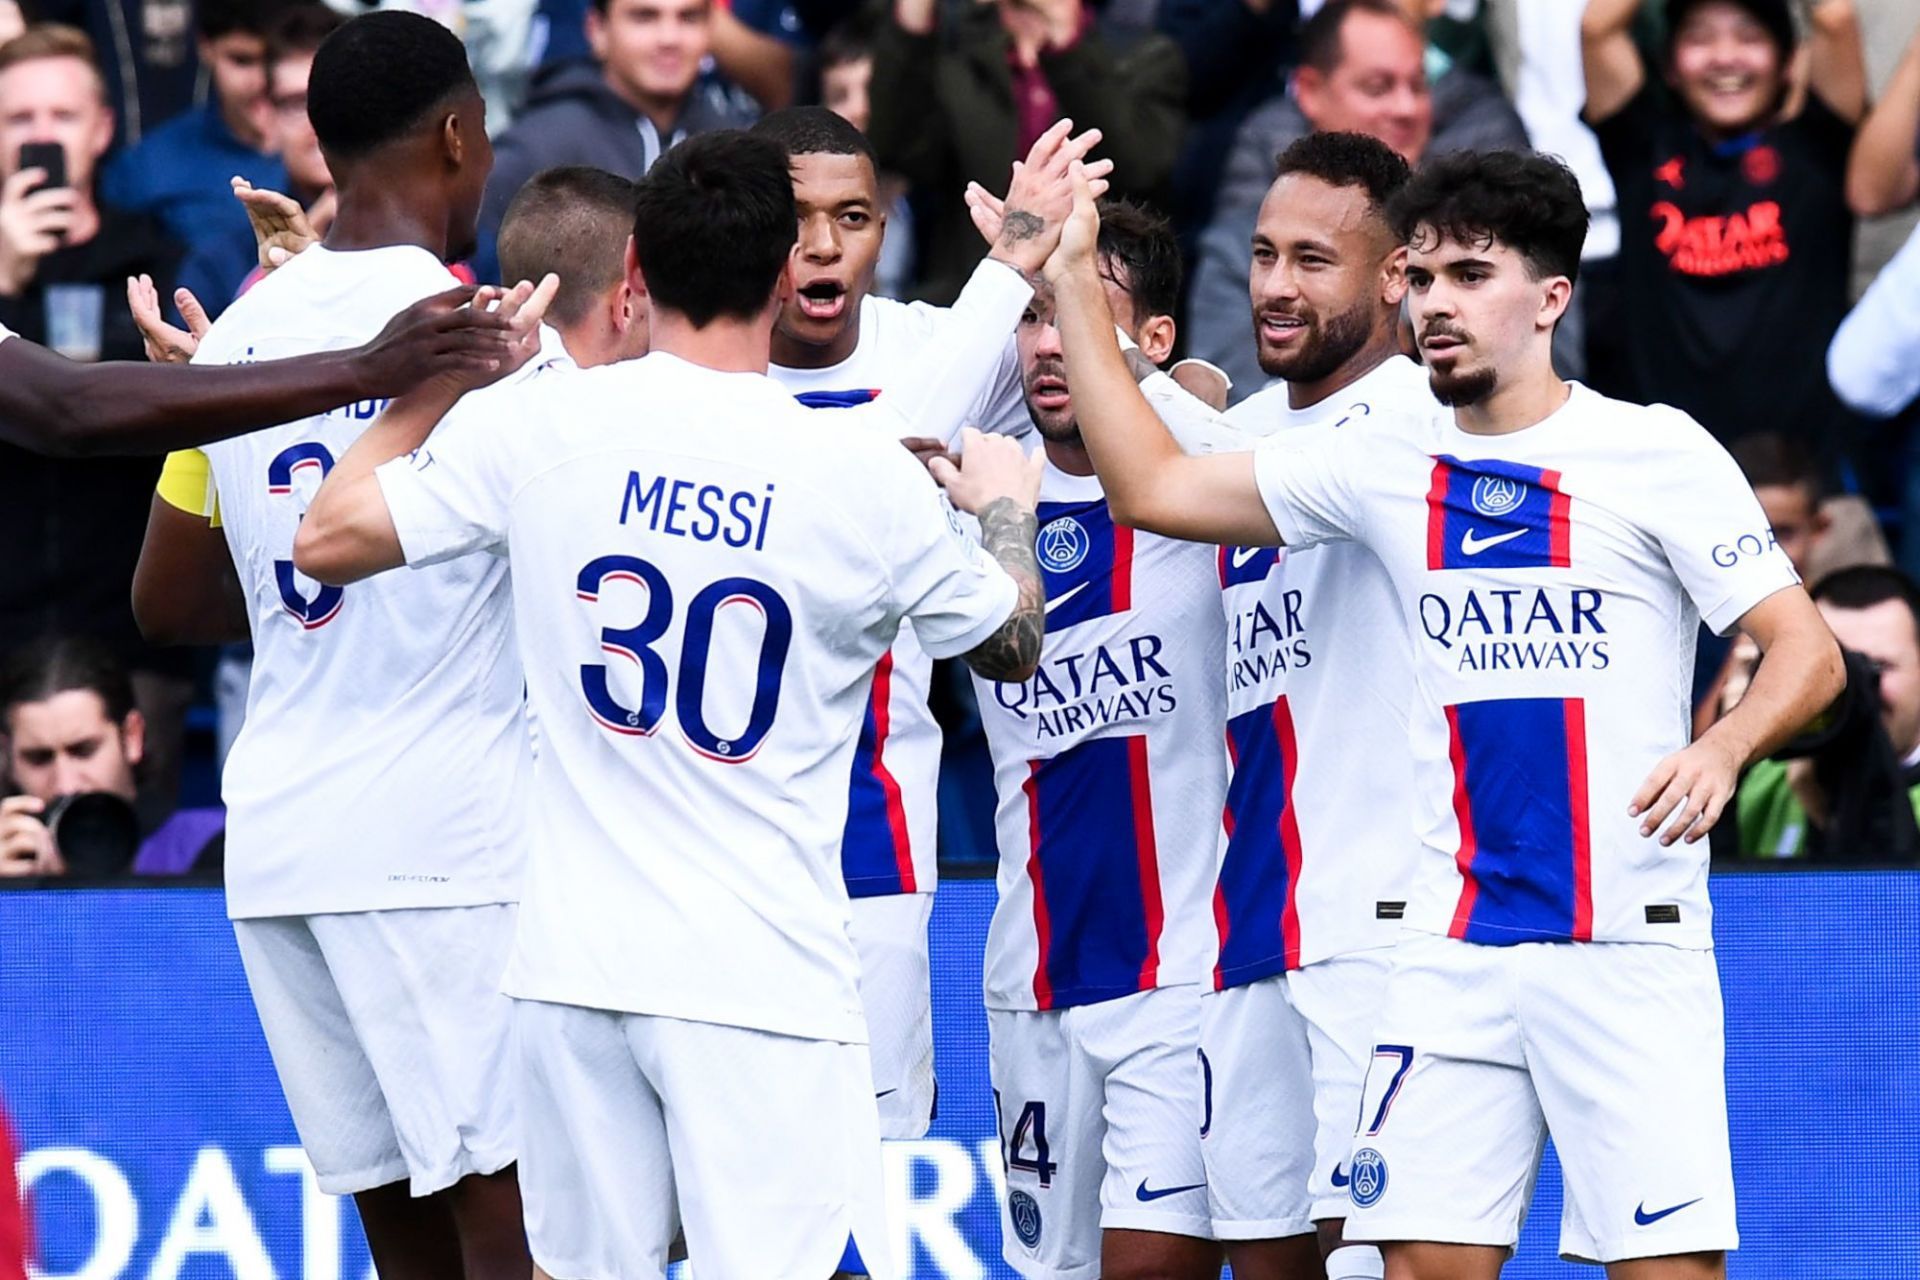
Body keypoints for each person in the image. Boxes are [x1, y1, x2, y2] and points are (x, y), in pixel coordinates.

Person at [1043, 147, 1844, 1280]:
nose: (1436, 306)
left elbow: (1808, 654)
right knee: (1411, 1266)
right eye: (1420, 280)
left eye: (1470, 276)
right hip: (1447, 943)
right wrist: (1075, 276)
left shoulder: (1655, 448)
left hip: (1624, 937)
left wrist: (1723, 744)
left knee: (1665, 1271)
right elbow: (1155, 490)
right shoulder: (1381, 458)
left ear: (1551, 297)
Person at [290, 127, 1053, 1280]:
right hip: (758, 974)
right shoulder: (856, 476)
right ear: (777, 273)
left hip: (573, 971)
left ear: (637, 268)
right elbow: (1008, 642)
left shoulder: (543, 424)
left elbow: (326, 536)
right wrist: (1003, 510)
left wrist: (430, 379)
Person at [136, 13, 537, 1279]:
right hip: (442, 844)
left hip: (283, 839)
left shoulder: (241, 340)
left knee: (403, 1241)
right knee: (517, 1231)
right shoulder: (480, 332)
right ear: (460, 134)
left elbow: (169, 597)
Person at [751, 105, 1091, 1145]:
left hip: (870, 844)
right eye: (795, 216)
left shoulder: (947, 346)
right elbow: (873, 456)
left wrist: (1194, 382)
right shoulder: (695, 369)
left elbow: (1111, 391)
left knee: (853, 1188)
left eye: (850, 216)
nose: (822, 244)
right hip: (713, 842)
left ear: (884, 227)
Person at [970, 198, 1240, 1280]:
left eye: (1072, 308)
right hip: (1029, 973)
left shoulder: (1210, 488)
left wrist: (1166, 389)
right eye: (1029, 315)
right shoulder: (979, 500)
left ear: (1157, 338)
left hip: (1180, 969)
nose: (1045, 341)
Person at [1202, 131, 1431, 1280]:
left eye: (1313, 260)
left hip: (1376, 915)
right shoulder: (1238, 432)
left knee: (1368, 1254)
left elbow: (1142, 468)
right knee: (1267, 1252)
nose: (1277, 286)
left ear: (1395, 277)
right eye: (1260, 254)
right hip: (1251, 913)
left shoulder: (1416, 423)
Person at [1188, 0, 1528, 402]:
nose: (1406, 108)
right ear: (1310, 91)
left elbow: (1534, 376)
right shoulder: (1236, 252)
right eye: (1377, 87)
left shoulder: (1486, 237)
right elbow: (1229, 403)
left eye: (1417, 85)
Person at [1581, 0, 1867, 462]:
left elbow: (1833, 16)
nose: (1725, 57)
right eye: (1699, 38)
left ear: (1789, 62)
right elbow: (1598, 27)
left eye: (1749, 37)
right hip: (1666, 472)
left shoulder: (1817, 151)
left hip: (1803, 481)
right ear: (1670, 66)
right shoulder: (1641, 150)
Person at [866, 0, 1186, 304]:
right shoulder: (957, 50)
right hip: (969, 296)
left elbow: (1140, 166)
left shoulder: (1145, 55)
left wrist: (1065, 42)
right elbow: (894, 151)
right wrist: (912, 19)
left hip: (1095, 303)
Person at [474, 0, 758, 282]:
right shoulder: (537, 146)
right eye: (644, 17)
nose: (669, 38)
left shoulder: (741, 148)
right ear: (597, 28)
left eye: (688, 17)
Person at [101, 0, 294, 313]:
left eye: (274, 60)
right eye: (242, 61)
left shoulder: (338, 150)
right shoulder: (153, 164)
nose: (261, 82)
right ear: (206, 48)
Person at [1734, 565, 1920, 861]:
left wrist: (1833, 816)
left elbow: (1892, 902)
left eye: (1878, 667)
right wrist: (1740, 725)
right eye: (1830, 670)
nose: (1850, 690)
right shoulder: (1763, 777)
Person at [0, 635, 223, 878]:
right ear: (5, 756)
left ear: (132, 737)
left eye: (84, 751)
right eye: (39, 758)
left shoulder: (213, 846)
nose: (66, 785)